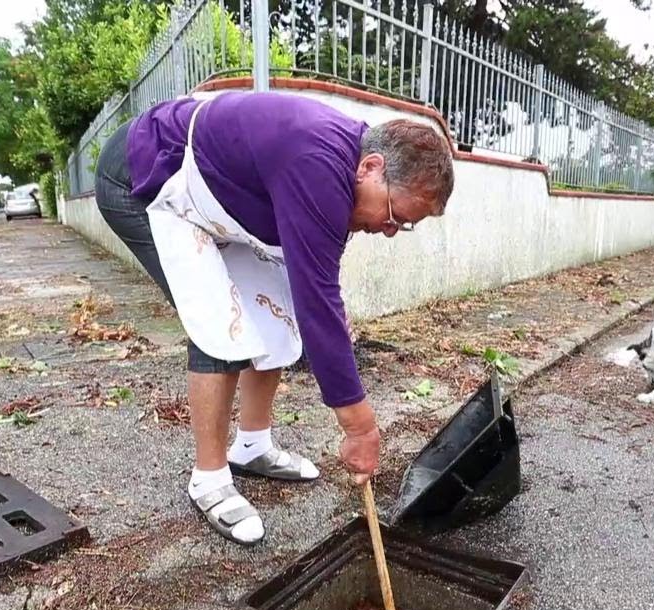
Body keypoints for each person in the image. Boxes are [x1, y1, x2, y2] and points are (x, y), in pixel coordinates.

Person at [95, 91, 454, 546]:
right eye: (393, 216)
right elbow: (317, 301)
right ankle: (208, 478)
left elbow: (315, 285)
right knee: (221, 322)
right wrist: (359, 428)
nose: (387, 232)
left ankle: (252, 445)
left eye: (402, 226)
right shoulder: (318, 163)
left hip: (214, 201)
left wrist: (330, 318)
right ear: (372, 167)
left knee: (277, 306)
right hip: (144, 177)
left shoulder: (344, 173)